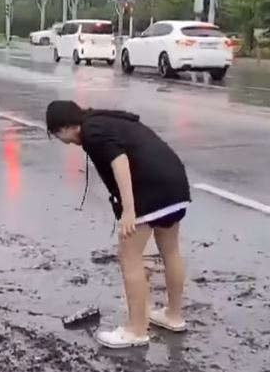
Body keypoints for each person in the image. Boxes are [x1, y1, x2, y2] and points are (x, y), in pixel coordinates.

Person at [45, 100, 191, 349]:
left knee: (129, 257)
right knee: (170, 251)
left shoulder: (91, 131)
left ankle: (135, 330)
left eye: (60, 136)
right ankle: (173, 316)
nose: (66, 142)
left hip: (148, 190)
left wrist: (129, 210)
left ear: (64, 127)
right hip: (175, 183)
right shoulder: (107, 120)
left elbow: (119, 161)